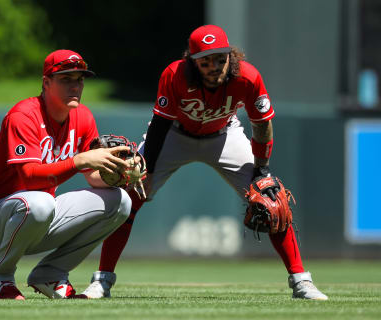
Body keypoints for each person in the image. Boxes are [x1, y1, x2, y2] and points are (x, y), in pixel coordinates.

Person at [83, 25, 329, 301]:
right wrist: (147, 169)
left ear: (230, 56)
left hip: (224, 135)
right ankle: (102, 281)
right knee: (130, 198)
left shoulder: (248, 77)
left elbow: (262, 125)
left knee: (271, 198)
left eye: (220, 58)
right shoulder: (174, 74)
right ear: (192, 60)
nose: (214, 66)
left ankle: (301, 282)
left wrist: (262, 170)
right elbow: (161, 124)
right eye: (205, 60)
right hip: (174, 134)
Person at [0, 49, 133, 300]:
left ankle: (50, 273)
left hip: (41, 216)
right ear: (46, 83)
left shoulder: (83, 116)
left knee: (121, 200)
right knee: (39, 202)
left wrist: (120, 173)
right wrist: (79, 160)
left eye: (79, 79)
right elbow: (29, 178)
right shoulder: (24, 115)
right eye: (66, 79)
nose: (75, 86)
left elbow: (93, 176)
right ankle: (1, 276)